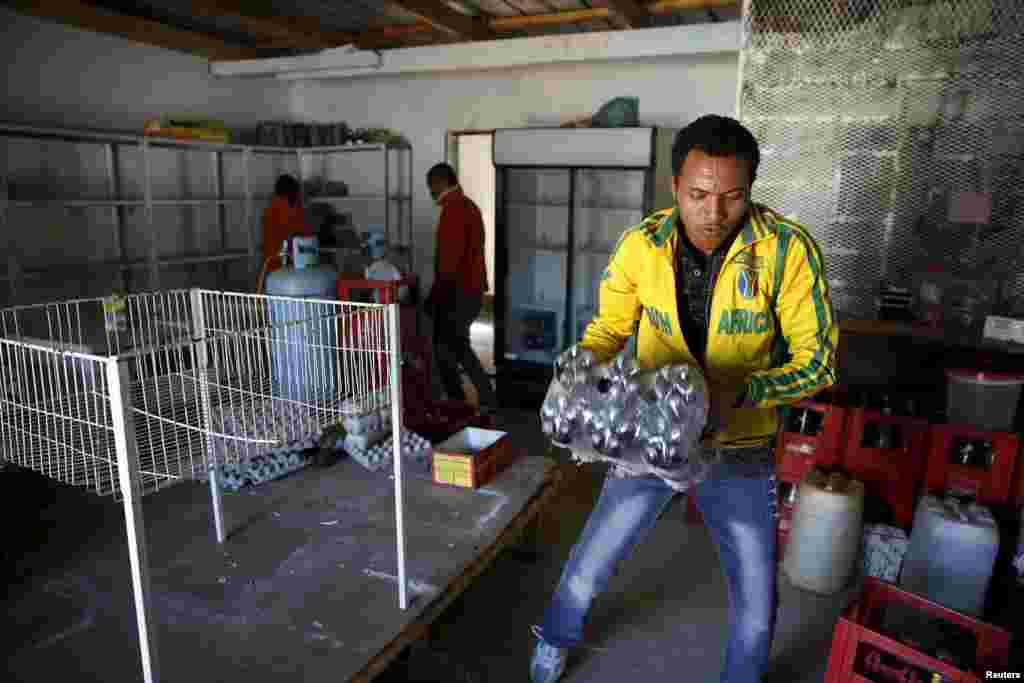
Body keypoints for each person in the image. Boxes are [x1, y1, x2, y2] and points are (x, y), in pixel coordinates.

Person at [529, 115, 838, 683]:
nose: (714, 213)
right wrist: (579, 377)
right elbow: (606, 332)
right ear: (675, 187)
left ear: (750, 191)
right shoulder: (642, 247)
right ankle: (555, 636)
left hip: (739, 446)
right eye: (698, 194)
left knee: (755, 599)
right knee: (592, 560)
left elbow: (818, 362)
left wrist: (741, 391)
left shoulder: (785, 251)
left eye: (732, 196)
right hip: (651, 435)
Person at [424, 163, 498, 414]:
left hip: (458, 293)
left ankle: (458, 404)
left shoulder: (454, 210)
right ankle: (479, 399)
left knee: (448, 349)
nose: (430, 192)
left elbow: (449, 262)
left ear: (441, 182)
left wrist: (435, 296)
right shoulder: (469, 207)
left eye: (431, 186)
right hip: (470, 291)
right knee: (457, 346)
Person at [261, 174, 311, 276]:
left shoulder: (271, 207)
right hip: (286, 264)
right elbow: (301, 235)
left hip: (272, 263)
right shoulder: (289, 209)